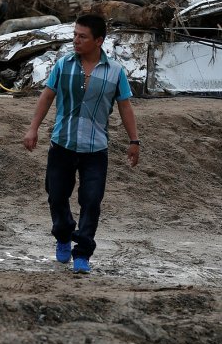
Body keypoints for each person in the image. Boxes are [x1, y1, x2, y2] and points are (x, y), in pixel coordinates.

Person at [22, 14, 140, 274]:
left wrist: (134, 140)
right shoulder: (64, 65)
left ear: (98, 41)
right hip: (62, 143)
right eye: (75, 34)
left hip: (95, 149)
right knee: (56, 196)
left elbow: (125, 106)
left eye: (82, 36)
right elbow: (47, 96)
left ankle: (83, 253)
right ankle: (63, 235)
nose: (76, 40)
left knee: (92, 201)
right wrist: (33, 129)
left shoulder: (116, 72)